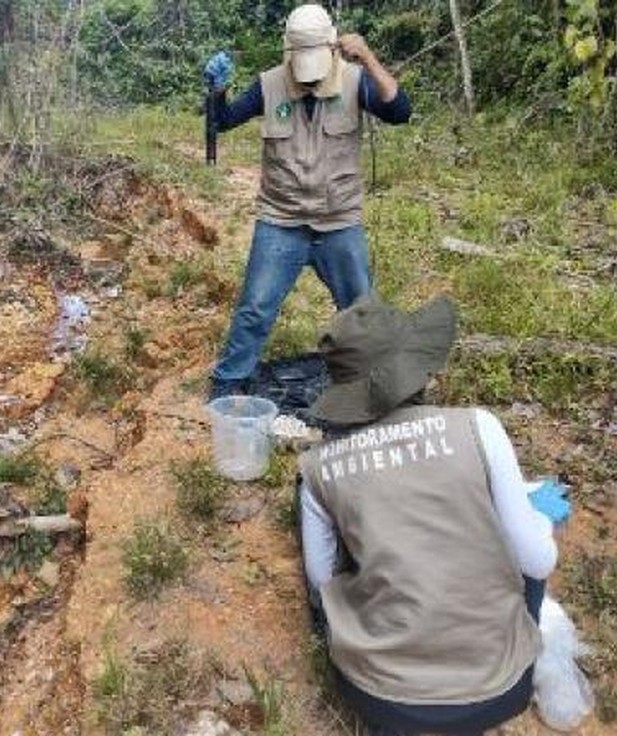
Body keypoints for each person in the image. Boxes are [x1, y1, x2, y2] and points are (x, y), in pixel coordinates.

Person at [297, 294, 560, 735]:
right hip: (499, 690)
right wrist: (543, 522)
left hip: (381, 696)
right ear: (416, 363)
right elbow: (538, 561)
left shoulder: (318, 468)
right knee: (528, 548)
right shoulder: (479, 427)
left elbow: (322, 579)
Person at [204, 3, 412, 401]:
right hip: (281, 219)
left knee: (360, 311)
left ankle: (376, 382)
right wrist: (217, 89)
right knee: (255, 308)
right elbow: (223, 120)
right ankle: (228, 384)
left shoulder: (355, 80)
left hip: (339, 221)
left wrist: (368, 57)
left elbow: (400, 110)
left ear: (333, 47)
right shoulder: (269, 84)